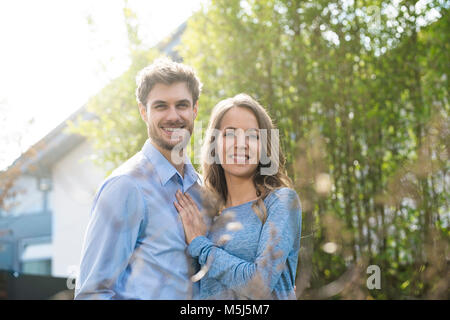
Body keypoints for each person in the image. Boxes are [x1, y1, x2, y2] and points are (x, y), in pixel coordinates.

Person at [75, 57, 203, 299]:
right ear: (143, 112)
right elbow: (92, 293)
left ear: (195, 110)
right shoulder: (125, 186)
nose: (173, 116)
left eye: (182, 105)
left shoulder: (202, 189)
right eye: (161, 106)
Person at [174, 93, 302, 299]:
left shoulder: (281, 201)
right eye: (230, 134)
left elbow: (259, 285)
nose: (241, 144)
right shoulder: (207, 214)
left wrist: (200, 244)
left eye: (252, 135)